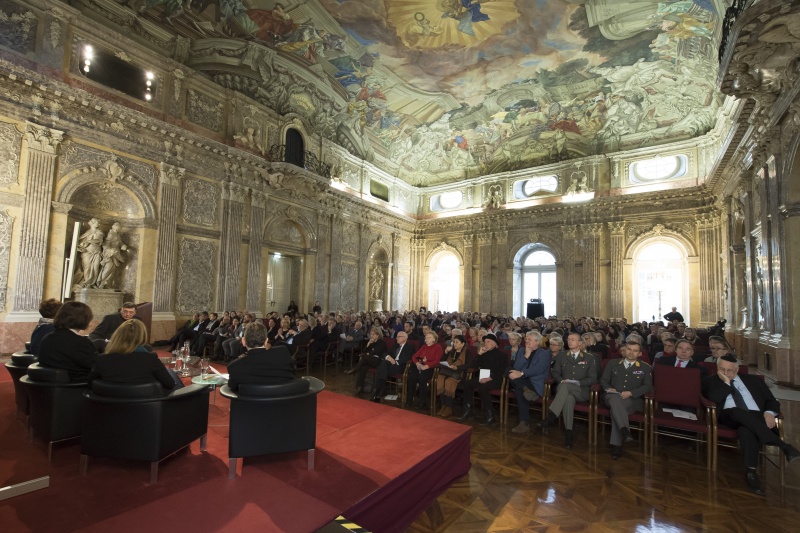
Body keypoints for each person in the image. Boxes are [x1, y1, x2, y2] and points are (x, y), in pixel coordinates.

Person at [704, 354, 800, 495]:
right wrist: (726, 382)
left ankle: (751, 473)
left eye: (729, 370)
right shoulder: (711, 381)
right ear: (717, 368)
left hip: (757, 417)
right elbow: (715, 398)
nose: (725, 373)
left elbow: (772, 401)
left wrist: (768, 413)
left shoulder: (753, 381)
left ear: (737, 369)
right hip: (729, 416)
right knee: (737, 411)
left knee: (745, 431)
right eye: (721, 369)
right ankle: (784, 446)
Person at [537, 332, 597, 449]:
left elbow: (592, 378)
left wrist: (578, 382)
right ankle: (569, 433)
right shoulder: (562, 355)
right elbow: (555, 372)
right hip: (564, 389)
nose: (569, 341)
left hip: (581, 390)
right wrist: (562, 380)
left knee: (565, 387)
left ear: (580, 343)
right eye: (568, 339)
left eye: (573, 339)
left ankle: (551, 416)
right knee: (568, 398)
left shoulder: (589, 358)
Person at [89, 319, 178, 391]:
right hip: (147, 408)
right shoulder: (150, 358)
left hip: (107, 408)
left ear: (117, 336)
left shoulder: (101, 359)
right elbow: (170, 384)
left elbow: (90, 384)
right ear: (142, 336)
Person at [601, 340, 653, 459]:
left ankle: (618, 442)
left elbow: (647, 386)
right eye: (629, 349)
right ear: (624, 350)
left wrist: (631, 393)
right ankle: (624, 432)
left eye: (635, 351)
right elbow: (603, 380)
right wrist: (609, 388)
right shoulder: (613, 363)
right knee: (615, 400)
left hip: (631, 400)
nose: (631, 353)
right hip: (611, 395)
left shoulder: (645, 367)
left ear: (640, 353)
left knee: (616, 409)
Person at [38, 301, 98, 382]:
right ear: (83, 319)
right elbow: (97, 365)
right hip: (76, 387)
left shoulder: (48, 337)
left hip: (50, 386)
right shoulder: (79, 342)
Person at [227, 321, 295, 391]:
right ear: (266, 341)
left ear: (243, 342)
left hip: (252, 400)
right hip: (284, 398)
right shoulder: (283, 352)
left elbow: (232, 387)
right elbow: (292, 374)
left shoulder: (235, 366)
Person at [459, 333, 506, 426]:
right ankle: (467, 411)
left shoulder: (502, 354)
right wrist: (479, 354)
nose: (485, 344)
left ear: (494, 343)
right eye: (485, 342)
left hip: (495, 378)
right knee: (467, 384)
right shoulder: (484, 353)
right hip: (483, 377)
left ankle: (490, 415)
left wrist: (490, 378)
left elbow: (502, 370)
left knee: (483, 387)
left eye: (488, 342)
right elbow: (473, 365)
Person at [508, 331, 550, 434]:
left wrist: (522, 373)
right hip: (523, 382)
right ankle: (525, 389)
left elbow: (538, 369)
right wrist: (526, 355)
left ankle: (524, 424)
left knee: (518, 390)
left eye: (529, 340)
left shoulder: (544, 353)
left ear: (537, 342)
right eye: (526, 339)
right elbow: (516, 367)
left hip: (534, 383)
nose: (527, 341)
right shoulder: (522, 350)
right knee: (508, 371)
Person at [405, 331, 443, 410]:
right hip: (420, 366)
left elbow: (437, 360)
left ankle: (423, 403)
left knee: (422, 378)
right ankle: (409, 400)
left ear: (434, 339)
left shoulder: (438, 347)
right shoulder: (424, 346)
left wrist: (427, 365)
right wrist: (417, 364)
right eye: (426, 338)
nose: (426, 339)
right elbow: (414, 356)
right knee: (412, 377)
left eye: (429, 337)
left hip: (431, 368)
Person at [372, 330, 414, 402]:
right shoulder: (395, 345)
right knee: (384, 363)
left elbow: (407, 358)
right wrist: (389, 357)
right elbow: (385, 353)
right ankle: (380, 391)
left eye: (398, 337)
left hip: (400, 366)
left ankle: (378, 392)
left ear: (404, 338)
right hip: (390, 363)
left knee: (380, 369)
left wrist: (396, 362)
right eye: (396, 337)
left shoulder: (410, 347)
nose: (396, 338)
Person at [346, 327, 387, 395]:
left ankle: (355, 370)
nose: (371, 336)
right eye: (371, 334)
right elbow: (364, 351)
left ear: (378, 335)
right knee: (363, 368)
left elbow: (377, 351)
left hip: (378, 361)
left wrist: (369, 353)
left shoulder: (381, 342)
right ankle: (359, 388)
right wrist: (368, 344)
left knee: (365, 357)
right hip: (369, 360)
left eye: (373, 334)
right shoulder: (371, 342)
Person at [436, 334, 468, 418]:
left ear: (463, 344)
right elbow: (442, 361)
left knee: (449, 381)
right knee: (440, 379)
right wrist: (446, 352)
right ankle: (443, 406)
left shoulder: (467, 352)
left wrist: (457, 367)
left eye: (457, 342)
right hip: (448, 371)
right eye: (454, 342)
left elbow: (468, 365)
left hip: (458, 373)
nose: (454, 344)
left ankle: (449, 407)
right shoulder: (451, 351)